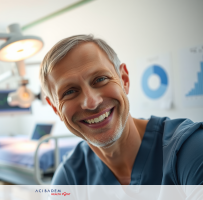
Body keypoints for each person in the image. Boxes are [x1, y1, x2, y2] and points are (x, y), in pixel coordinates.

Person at [40, 35, 203, 185]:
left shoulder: (190, 150)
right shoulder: (70, 178)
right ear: (56, 108)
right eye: (69, 92)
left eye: (100, 79)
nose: (91, 103)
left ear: (124, 80)